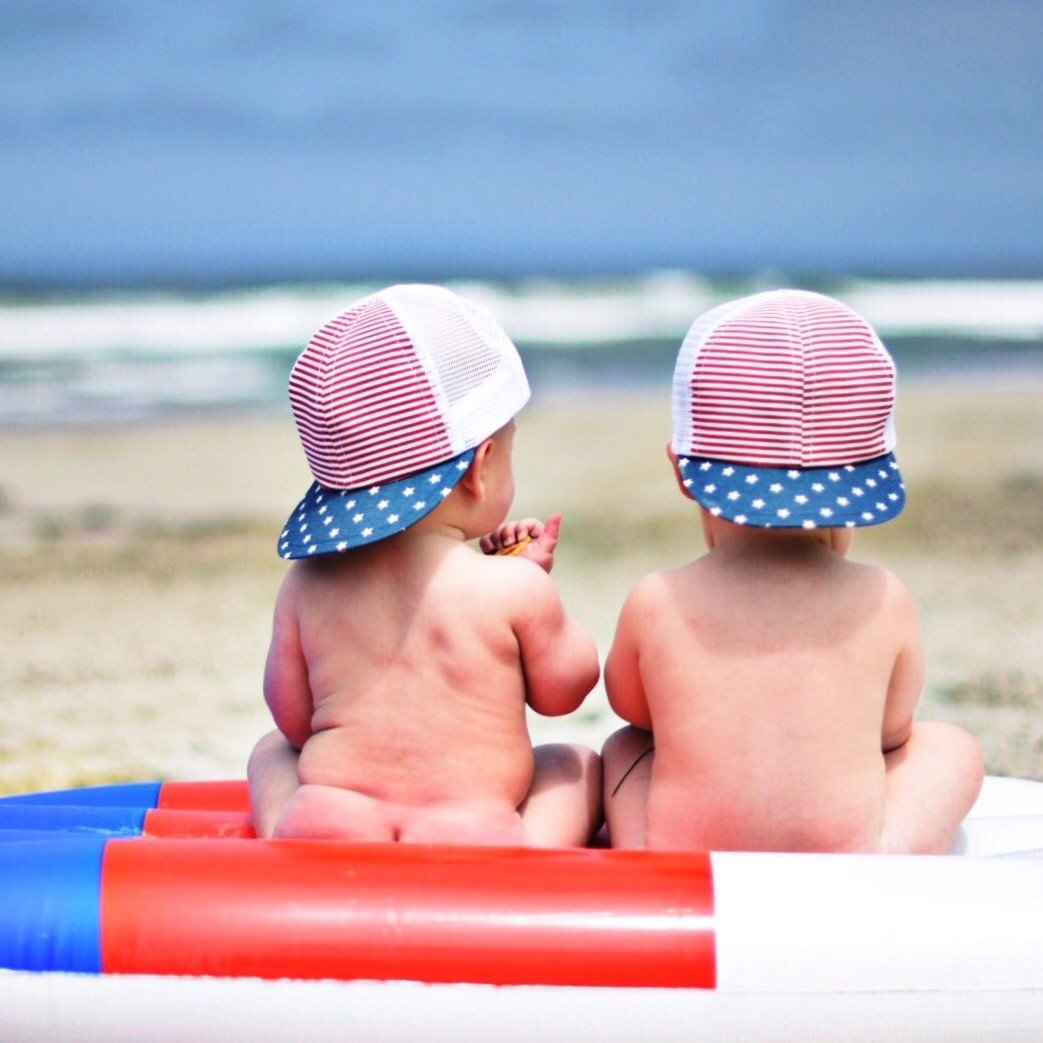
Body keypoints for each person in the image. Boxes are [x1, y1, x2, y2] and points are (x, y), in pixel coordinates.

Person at [602, 289, 983, 854]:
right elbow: (892, 733)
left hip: (685, 854)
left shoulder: (656, 598)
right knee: (950, 747)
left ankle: (641, 858)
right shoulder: (884, 596)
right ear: (864, 478)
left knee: (623, 748)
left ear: (683, 472)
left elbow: (634, 710)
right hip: (842, 852)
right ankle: (888, 859)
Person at [249, 284, 601, 846]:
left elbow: (295, 721)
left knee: (271, 751)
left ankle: (281, 838)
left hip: (334, 813)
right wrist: (530, 586)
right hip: (476, 829)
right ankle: (534, 854)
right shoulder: (511, 588)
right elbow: (569, 689)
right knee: (575, 762)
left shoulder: (306, 583)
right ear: (479, 468)